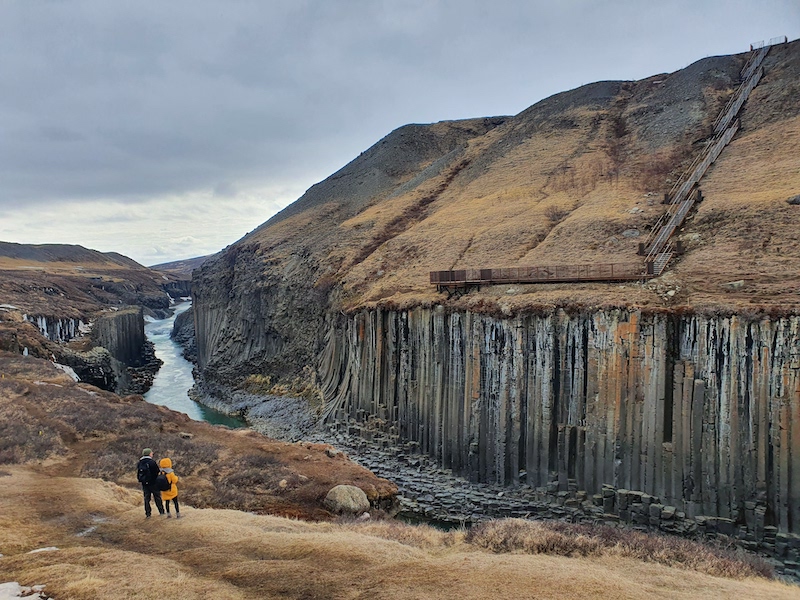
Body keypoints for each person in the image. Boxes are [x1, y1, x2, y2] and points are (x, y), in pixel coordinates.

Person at [137, 448, 165, 518]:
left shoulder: (140, 462)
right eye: (151, 453)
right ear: (149, 454)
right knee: (157, 497)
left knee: (147, 498)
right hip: (153, 483)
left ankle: (148, 514)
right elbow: (156, 471)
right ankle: (161, 512)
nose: (152, 453)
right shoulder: (151, 462)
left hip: (144, 483)